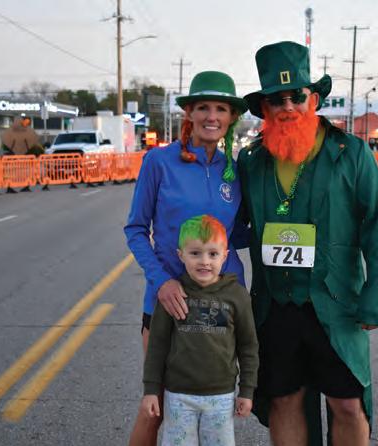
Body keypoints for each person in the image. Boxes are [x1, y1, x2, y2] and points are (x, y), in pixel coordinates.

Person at [237, 41, 378, 446]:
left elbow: (377, 227)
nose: (288, 106)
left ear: (315, 99)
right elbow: (228, 220)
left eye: (297, 96)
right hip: (276, 303)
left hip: (336, 303)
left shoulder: (351, 153)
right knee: (284, 400)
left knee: (348, 403)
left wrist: (375, 298)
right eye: (277, 99)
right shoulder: (252, 161)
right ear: (265, 107)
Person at [124, 71, 249, 446]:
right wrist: (161, 281)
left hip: (221, 306)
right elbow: (136, 229)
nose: (212, 116)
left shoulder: (234, 170)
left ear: (231, 117)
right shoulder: (159, 162)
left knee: (213, 407)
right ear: (189, 113)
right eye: (203, 107)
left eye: (221, 109)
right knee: (157, 407)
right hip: (169, 302)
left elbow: (236, 235)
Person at [140, 215, 259, 445]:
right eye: (195, 253)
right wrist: (151, 390)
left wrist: (247, 390)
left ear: (225, 256)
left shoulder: (236, 296)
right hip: (178, 396)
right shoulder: (173, 295)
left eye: (213, 254)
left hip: (221, 397)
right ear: (180, 255)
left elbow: (248, 346)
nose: (204, 261)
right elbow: (157, 345)